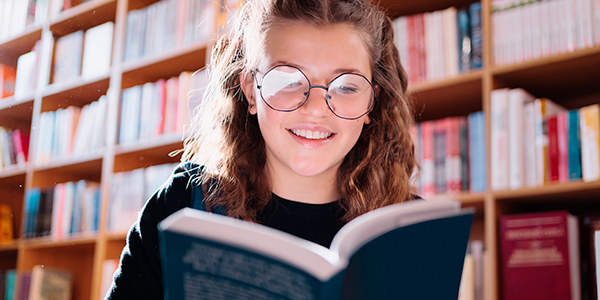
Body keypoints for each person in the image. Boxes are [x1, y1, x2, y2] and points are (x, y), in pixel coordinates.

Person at [105, 0, 417, 298]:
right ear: (251, 91)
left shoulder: (413, 230)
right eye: (288, 81)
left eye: (346, 86)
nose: (316, 108)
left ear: (371, 102)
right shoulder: (179, 204)